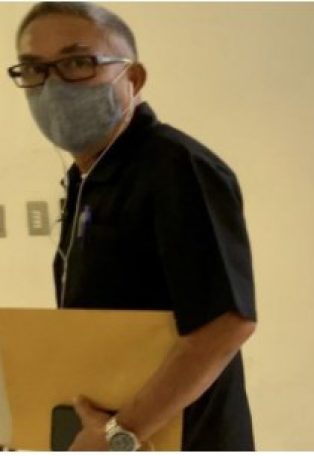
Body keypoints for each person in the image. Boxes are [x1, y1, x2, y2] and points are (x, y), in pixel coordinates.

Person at [9, 2, 257, 450]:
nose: (53, 85)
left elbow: (226, 323)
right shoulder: (87, 178)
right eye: (34, 69)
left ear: (134, 78)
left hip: (179, 437)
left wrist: (122, 433)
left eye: (77, 62)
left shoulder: (177, 167)